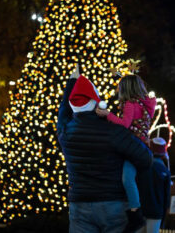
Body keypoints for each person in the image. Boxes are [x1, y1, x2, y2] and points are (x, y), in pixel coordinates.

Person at [57, 68, 153, 233]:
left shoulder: (65, 131)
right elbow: (146, 158)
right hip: (113, 203)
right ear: (96, 103)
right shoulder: (113, 131)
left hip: (80, 204)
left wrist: (71, 83)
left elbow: (63, 110)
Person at [95, 75, 156, 232]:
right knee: (134, 179)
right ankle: (136, 210)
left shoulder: (130, 104)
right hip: (144, 147)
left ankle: (136, 214)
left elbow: (124, 124)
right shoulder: (147, 104)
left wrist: (107, 114)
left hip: (132, 148)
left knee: (127, 178)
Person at [136, 137, 171, 233]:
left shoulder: (141, 166)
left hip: (140, 209)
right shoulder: (164, 171)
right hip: (156, 211)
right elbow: (166, 197)